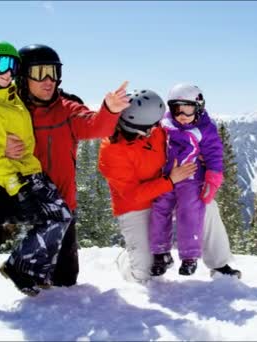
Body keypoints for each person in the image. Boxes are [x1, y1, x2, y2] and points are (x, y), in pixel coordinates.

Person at [0, 43, 130, 321]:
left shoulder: (67, 108)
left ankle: (31, 277)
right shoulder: (7, 103)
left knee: (64, 283)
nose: (49, 80)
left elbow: (96, 125)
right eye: (40, 73)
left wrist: (110, 109)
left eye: (54, 73)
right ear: (23, 75)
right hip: (13, 190)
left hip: (57, 201)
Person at [0, 38, 74, 299]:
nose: (9, 72)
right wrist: (17, 186)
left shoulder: (11, 96)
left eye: (13, 65)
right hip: (8, 179)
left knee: (61, 216)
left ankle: (25, 268)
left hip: (30, 171)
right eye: (2, 64)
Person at [98, 89, 242, 283]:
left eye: (154, 126)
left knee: (205, 205)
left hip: (169, 191)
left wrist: (201, 160)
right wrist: (170, 181)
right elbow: (131, 196)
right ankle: (127, 257)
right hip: (137, 206)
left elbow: (187, 138)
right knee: (143, 275)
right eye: (147, 129)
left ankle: (219, 264)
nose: (152, 132)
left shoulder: (156, 128)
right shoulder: (112, 152)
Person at [149, 84, 224, 276]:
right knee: (159, 208)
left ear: (198, 107)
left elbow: (214, 155)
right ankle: (160, 252)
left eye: (188, 109)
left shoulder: (205, 129)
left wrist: (212, 180)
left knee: (189, 211)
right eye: (176, 109)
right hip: (168, 177)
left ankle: (189, 256)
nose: (182, 115)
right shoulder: (165, 124)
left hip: (191, 178)